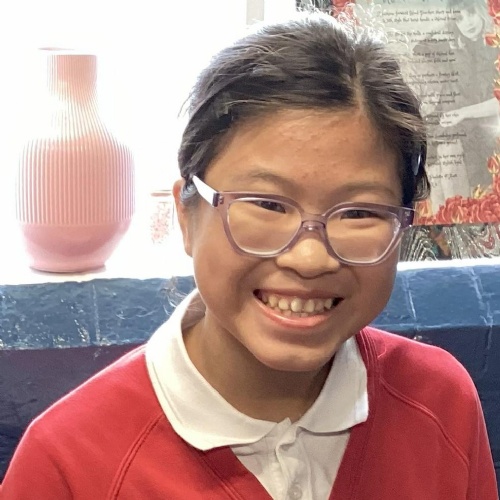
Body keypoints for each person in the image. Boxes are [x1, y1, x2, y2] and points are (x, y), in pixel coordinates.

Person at [1, 12, 497, 500]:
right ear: (186, 215)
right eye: (267, 204)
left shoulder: (440, 403)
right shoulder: (68, 466)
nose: (310, 258)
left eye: (359, 213)